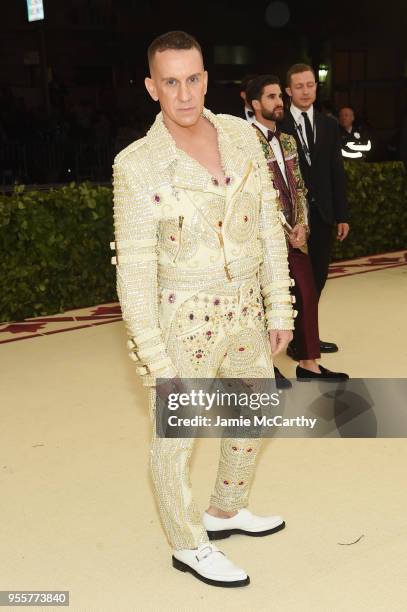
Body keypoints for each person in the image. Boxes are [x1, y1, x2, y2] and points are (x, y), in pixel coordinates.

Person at [111, 31, 295, 588]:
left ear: (207, 79)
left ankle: (225, 509)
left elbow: (268, 227)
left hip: (244, 310)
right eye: (171, 82)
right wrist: (153, 355)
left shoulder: (241, 136)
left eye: (193, 79)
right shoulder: (137, 164)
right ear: (151, 87)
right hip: (181, 317)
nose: (184, 93)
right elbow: (135, 271)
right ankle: (188, 544)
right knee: (176, 437)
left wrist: (279, 305)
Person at [246, 74, 348, 381]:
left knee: (305, 293)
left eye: (279, 96)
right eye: (270, 97)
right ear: (255, 104)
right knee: (263, 303)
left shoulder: (287, 140)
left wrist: (302, 224)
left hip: (294, 237)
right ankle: (267, 368)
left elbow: (299, 188)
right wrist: (277, 228)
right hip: (263, 239)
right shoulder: (245, 143)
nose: (278, 102)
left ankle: (309, 364)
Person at [279, 64, 350, 355]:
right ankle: (294, 339)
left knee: (317, 279)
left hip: (322, 217)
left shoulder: (329, 125)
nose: (306, 91)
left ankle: (307, 338)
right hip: (289, 219)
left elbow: (336, 171)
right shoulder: (278, 125)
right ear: (288, 91)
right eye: (299, 86)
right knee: (291, 282)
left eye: (310, 85)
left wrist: (342, 214)